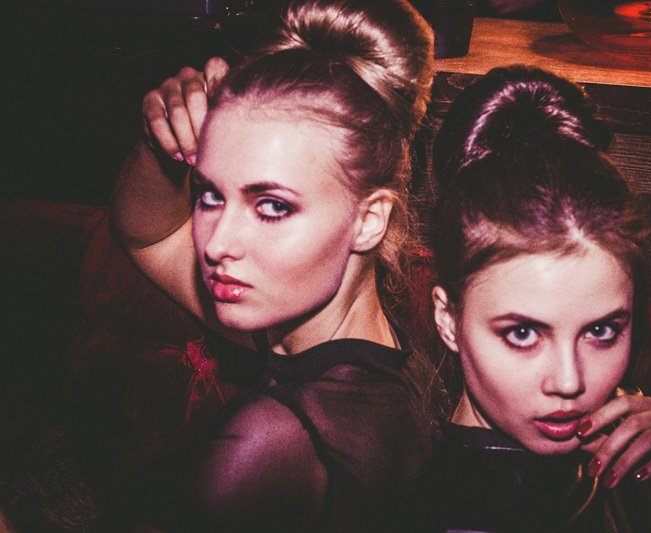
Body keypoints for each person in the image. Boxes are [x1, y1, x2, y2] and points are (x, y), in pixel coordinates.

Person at [110, 0, 440, 530]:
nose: (217, 244)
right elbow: (148, 234)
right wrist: (160, 142)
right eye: (210, 195)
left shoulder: (268, 440)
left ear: (368, 221)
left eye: (272, 206)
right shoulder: (366, 350)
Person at [412, 65, 651, 531]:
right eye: (522, 334)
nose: (569, 382)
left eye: (601, 331)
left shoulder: (623, 444)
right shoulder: (464, 514)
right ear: (448, 319)